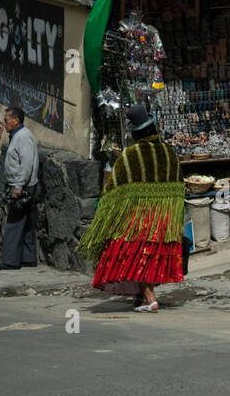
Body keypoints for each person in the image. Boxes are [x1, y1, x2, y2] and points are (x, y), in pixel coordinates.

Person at [77, 103, 184, 312]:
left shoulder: (130, 155)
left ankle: (150, 298)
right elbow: (179, 184)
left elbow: (115, 188)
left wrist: (105, 208)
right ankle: (141, 296)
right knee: (149, 255)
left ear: (135, 132)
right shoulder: (168, 152)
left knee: (135, 254)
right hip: (164, 218)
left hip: (139, 218)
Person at [0, 106, 40, 271]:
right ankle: (28, 258)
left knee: (14, 223)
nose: (4, 123)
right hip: (22, 185)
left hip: (23, 186)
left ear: (16, 120)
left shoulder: (24, 137)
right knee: (25, 222)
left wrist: (18, 186)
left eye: (6, 120)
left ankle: (10, 261)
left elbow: (26, 164)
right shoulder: (18, 136)